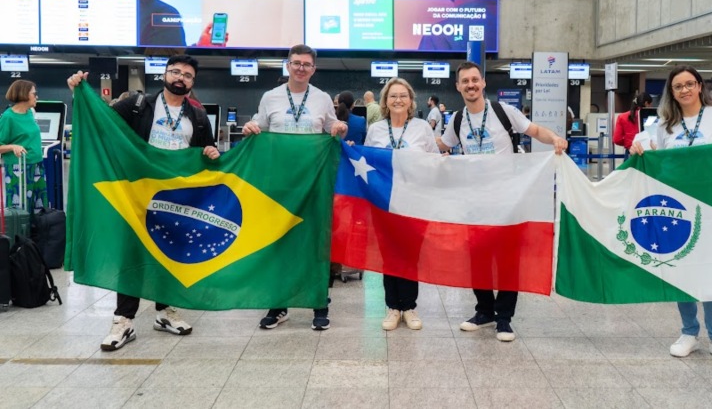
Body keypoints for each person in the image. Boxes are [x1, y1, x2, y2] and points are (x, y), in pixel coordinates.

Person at [67, 54, 220, 352]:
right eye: (175, 72)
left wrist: (211, 153)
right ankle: (123, 320)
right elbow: (102, 122)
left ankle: (164, 312)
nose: (180, 78)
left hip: (174, 200)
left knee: (169, 254)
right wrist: (80, 94)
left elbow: (206, 151)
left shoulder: (198, 117)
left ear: (193, 82)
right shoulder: (136, 105)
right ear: (163, 75)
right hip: (136, 196)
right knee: (132, 255)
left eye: (187, 75)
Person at [436, 61, 567, 342]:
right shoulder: (457, 119)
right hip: (474, 203)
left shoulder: (503, 112)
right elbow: (442, 145)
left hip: (508, 200)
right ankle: (484, 311)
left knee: (508, 261)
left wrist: (555, 137)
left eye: (475, 80)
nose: (471, 85)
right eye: (465, 81)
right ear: (458, 87)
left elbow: (534, 131)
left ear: (483, 83)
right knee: (478, 259)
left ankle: (504, 319)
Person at [631, 65, 712, 366]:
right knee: (683, 269)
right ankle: (689, 332)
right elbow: (661, 162)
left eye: (689, 84)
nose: (685, 90)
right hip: (679, 208)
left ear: (700, 86)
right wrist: (641, 150)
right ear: (672, 92)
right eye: (678, 86)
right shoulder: (666, 124)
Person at [243, 44, 347, 331]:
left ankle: (319, 302)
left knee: (315, 244)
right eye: (296, 62)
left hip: (313, 182)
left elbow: (330, 125)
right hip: (279, 184)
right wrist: (251, 126)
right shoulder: (270, 97)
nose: (301, 68)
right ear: (287, 65)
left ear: (313, 69)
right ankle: (278, 306)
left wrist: (339, 127)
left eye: (307, 64)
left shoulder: (322, 98)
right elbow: (260, 125)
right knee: (280, 243)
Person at [364, 78, 438, 331]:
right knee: (389, 254)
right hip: (384, 201)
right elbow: (367, 162)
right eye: (393, 96)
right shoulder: (376, 130)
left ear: (411, 100)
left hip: (414, 202)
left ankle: (409, 307)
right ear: (385, 101)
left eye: (403, 96)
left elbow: (434, 161)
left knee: (410, 254)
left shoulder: (421, 127)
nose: (398, 100)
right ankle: (393, 307)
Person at [0, 80, 48, 213]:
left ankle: (38, 232)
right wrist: (12, 146)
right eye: (34, 93)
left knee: (39, 206)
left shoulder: (30, 113)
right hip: (18, 168)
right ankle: (19, 233)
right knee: (20, 207)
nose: (36, 96)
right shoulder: (8, 117)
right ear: (24, 94)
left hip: (37, 164)